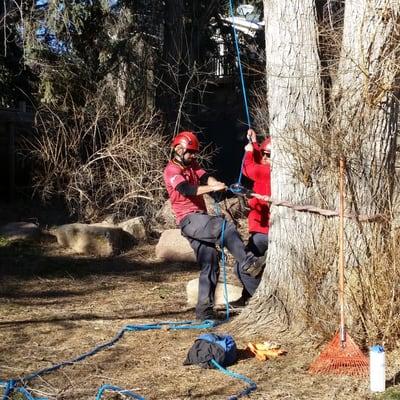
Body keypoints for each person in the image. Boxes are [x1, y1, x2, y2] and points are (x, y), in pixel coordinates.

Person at [163, 131, 265, 320]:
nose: (193, 156)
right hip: (189, 220)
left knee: (210, 263)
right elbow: (187, 189)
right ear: (178, 149)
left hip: (199, 218)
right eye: (190, 152)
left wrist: (215, 183)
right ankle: (248, 262)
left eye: (194, 153)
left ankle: (204, 312)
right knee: (225, 227)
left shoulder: (191, 164)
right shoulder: (172, 171)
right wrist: (212, 189)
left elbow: (204, 176)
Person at [233, 129, 271, 306]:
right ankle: (248, 297)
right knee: (241, 265)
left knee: (245, 267)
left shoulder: (269, 172)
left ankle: (259, 301)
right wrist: (255, 144)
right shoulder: (267, 169)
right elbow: (257, 163)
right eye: (263, 154)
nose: (263, 157)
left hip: (264, 234)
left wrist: (248, 152)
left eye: (267, 155)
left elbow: (248, 169)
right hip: (260, 232)